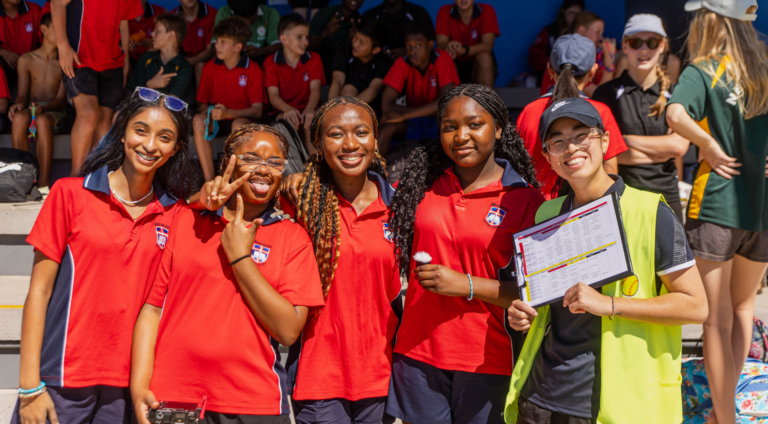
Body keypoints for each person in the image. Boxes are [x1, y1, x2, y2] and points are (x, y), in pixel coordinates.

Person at [505, 97, 707, 424]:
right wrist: (523, 312)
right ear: (548, 157)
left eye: (582, 135)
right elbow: (545, 302)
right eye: (558, 142)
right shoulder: (546, 214)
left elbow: (696, 306)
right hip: (541, 396)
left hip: (620, 404)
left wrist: (610, 304)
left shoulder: (650, 212)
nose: (571, 148)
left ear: (604, 140)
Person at [10, 88, 197, 424]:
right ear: (122, 130)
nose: (150, 145)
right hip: (60, 379)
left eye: (164, 137)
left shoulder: (177, 215)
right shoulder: (70, 194)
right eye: (141, 130)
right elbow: (38, 292)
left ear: (176, 148)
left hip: (126, 390)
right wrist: (29, 387)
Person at [130, 124, 325, 424]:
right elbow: (153, 309)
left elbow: (288, 330)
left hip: (252, 402)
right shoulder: (185, 220)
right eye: (251, 159)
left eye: (274, 163)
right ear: (228, 163)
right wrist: (139, 385)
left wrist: (241, 258)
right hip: (176, 397)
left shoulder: (293, 237)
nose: (264, 170)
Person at [385, 84, 544, 424]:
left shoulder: (524, 200)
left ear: (499, 129)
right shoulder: (420, 186)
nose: (461, 136)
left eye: (475, 124)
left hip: (488, 359)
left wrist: (467, 285)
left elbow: (536, 293)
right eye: (449, 127)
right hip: (417, 354)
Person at [665, 0, 768, 421]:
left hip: (717, 204)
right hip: (760, 207)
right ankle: (724, 413)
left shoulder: (703, 69)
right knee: (743, 310)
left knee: (715, 321)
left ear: (707, 19)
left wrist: (706, 145)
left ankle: (723, 417)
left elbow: (674, 113)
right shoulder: (761, 67)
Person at [277, 97, 402, 424]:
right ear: (317, 143)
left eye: (361, 132)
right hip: (318, 379)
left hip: (381, 377)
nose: (350, 144)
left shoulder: (400, 206)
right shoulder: (297, 203)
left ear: (375, 140)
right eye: (335, 134)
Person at [592, 14, 690, 221]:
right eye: (636, 42)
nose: (644, 50)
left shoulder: (677, 93)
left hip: (667, 196)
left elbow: (679, 147)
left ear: (662, 47)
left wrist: (624, 141)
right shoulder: (605, 93)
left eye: (652, 42)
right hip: (623, 196)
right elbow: (603, 154)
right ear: (625, 47)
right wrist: (663, 152)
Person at [516, 34, 627, 200]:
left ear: (550, 69)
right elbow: (610, 173)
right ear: (593, 72)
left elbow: (518, 169)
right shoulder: (600, 111)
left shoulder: (529, 112)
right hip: (588, 209)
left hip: (537, 211)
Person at [52, 0, 143, 175]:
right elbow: (56, 3)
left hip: (113, 60)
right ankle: (76, 178)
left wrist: (125, 62)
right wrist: (63, 45)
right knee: (88, 114)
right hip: (79, 58)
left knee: (105, 119)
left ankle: (96, 176)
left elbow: (124, 23)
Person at [193, 17, 265, 182]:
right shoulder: (210, 67)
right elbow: (202, 102)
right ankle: (210, 181)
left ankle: (233, 180)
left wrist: (229, 113)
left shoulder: (253, 69)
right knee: (198, 120)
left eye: (223, 42)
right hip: (217, 120)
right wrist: (210, 112)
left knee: (238, 124)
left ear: (238, 47)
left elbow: (257, 110)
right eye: (217, 41)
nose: (217, 45)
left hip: (240, 119)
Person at [378, 24, 460, 156]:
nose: (412, 51)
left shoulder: (442, 58)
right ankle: (373, 171)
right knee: (388, 124)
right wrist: (415, 114)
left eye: (418, 45)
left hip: (437, 121)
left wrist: (404, 115)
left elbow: (446, 103)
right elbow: (386, 106)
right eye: (409, 46)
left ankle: (450, 170)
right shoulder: (402, 62)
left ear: (430, 45)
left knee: (449, 119)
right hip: (413, 122)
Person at [9, 12, 65, 194]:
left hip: (53, 110)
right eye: (58, 28)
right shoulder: (27, 59)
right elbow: (22, 95)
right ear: (44, 29)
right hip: (31, 107)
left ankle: (43, 182)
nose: (63, 33)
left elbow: (60, 100)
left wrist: (44, 109)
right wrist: (18, 104)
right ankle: (23, 178)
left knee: (41, 121)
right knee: (18, 118)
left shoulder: (65, 61)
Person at [264, 14, 325, 156]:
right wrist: (288, 109)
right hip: (282, 112)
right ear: (284, 39)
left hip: (307, 110)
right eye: (299, 37)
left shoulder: (314, 58)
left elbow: (315, 90)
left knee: (312, 122)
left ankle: (316, 171)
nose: (305, 42)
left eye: (307, 37)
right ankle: (292, 173)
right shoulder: (270, 62)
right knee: (289, 122)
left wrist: (310, 109)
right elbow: (273, 96)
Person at [541, 11, 616, 97]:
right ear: (581, 30)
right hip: (555, 107)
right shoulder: (570, 55)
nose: (601, 38)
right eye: (597, 32)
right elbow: (600, 95)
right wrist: (609, 59)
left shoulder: (592, 56)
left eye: (601, 33)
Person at [327, 19, 392, 116]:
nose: (355, 43)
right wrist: (330, 108)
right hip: (340, 109)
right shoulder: (344, 52)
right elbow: (337, 81)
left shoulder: (384, 62)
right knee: (348, 89)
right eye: (355, 37)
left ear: (375, 50)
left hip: (369, 113)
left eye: (361, 42)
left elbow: (373, 90)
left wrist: (346, 112)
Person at [127, 14, 194, 105]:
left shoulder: (184, 67)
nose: (152, 34)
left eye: (157, 31)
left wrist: (149, 89)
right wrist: (150, 85)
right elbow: (132, 96)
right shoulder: (146, 58)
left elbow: (173, 104)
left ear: (171, 35)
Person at [435, 0, 500, 88]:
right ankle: (451, 100)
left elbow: (487, 46)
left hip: (477, 66)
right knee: (446, 57)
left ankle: (487, 100)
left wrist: (464, 50)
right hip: (455, 63)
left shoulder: (486, 10)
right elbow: (440, 44)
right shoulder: (445, 11)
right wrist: (449, 46)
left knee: (484, 57)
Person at [528, 0, 583, 85]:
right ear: (563, 12)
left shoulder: (586, 34)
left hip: (579, 81)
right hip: (551, 79)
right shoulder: (549, 31)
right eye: (571, 13)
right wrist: (557, 62)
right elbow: (534, 59)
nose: (575, 17)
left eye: (578, 14)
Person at [309, 0, 363, 83]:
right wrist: (324, 34)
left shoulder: (362, 22)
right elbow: (309, 47)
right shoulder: (324, 14)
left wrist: (355, 42)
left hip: (345, 72)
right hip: (321, 69)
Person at [361, 0, 433, 59]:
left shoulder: (418, 13)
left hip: (411, 69)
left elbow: (429, 46)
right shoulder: (369, 16)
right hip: (377, 71)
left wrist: (407, 50)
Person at [214, 0, 282, 62]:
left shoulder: (270, 13)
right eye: (243, 22)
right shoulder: (225, 12)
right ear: (234, 12)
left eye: (252, 19)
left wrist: (260, 51)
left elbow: (278, 45)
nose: (248, 23)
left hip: (261, 61)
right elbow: (214, 45)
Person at [170, 0, 217, 88]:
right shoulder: (172, 17)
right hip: (181, 62)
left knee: (200, 66)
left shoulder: (212, 14)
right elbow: (171, 49)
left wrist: (190, 61)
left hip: (204, 62)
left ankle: (201, 102)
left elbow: (210, 50)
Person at [0, 0, 43, 91]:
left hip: (31, 67)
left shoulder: (35, 10)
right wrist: (2, 51)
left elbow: (48, 44)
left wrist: (29, 58)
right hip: (4, 68)